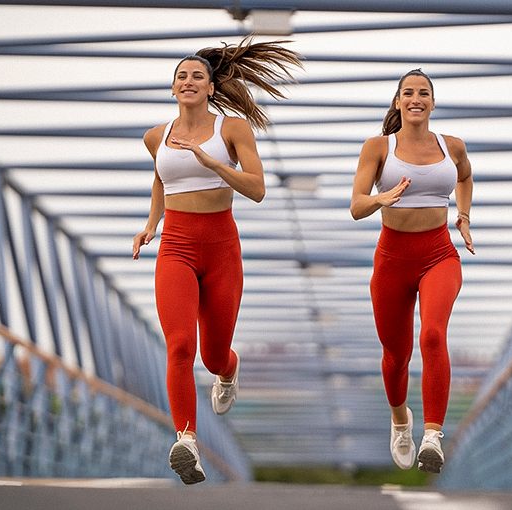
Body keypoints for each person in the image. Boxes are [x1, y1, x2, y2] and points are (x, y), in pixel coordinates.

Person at [132, 38, 302, 484]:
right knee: (179, 345)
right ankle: (186, 439)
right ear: (172, 89)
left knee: (211, 355)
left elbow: (257, 189)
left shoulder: (233, 130)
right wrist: (151, 224)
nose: (188, 82)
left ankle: (229, 369)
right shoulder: (157, 137)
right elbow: (161, 179)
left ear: (210, 88)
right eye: (181, 77)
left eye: (197, 77)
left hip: (222, 248)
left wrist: (212, 162)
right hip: (176, 248)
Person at [350, 69, 474, 474]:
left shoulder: (452, 147)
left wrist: (464, 215)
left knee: (434, 334)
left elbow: (466, 176)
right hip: (391, 261)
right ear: (398, 102)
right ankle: (401, 418)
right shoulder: (378, 148)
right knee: (396, 355)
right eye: (408, 93)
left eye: (424, 93)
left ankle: (433, 435)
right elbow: (356, 206)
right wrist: (380, 197)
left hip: (439, 254)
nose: (416, 98)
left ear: (433, 104)